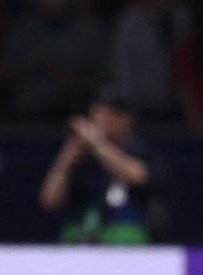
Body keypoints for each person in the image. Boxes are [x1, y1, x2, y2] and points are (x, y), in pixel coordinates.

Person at [40, 94, 158, 243]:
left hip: (123, 231)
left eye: (107, 115)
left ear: (126, 119)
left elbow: (137, 176)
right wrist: (66, 160)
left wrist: (96, 142)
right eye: (95, 116)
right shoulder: (80, 154)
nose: (99, 122)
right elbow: (49, 200)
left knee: (124, 234)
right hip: (80, 231)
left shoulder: (138, 150)